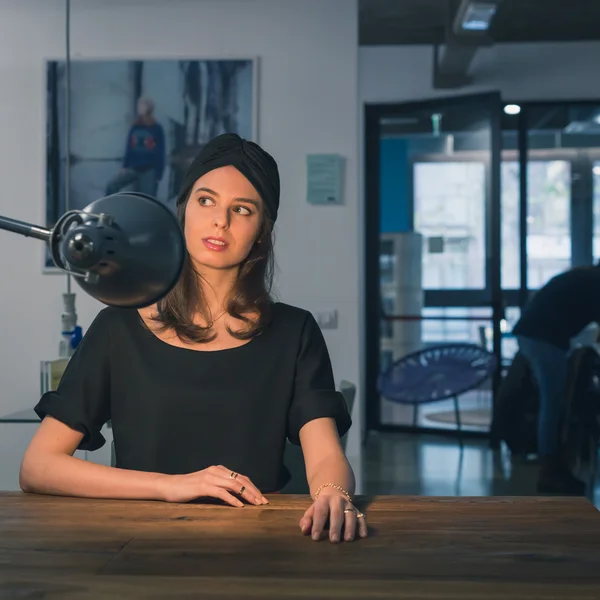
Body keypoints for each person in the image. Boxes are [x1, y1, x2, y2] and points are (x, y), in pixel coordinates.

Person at [20, 133, 367, 544]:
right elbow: (38, 467)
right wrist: (172, 486)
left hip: (259, 543)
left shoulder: (295, 331)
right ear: (182, 210)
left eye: (242, 209)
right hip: (137, 542)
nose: (221, 220)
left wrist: (334, 493)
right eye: (206, 200)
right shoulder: (118, 327)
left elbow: (326, 452)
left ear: (261, 231)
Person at [512, 264, 600, 495]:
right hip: (544, 339)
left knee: (553, 402)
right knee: (554, 403)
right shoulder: (595, 282)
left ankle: (552, 465)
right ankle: (550, 469)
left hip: (533, 334)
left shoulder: (584, 276)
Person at [105, 96, 165, 198]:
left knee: (148, 199)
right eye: (139, 105)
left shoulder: (156, 128)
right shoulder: (135, 127)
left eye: (142, 105)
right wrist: (125, 166)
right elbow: (129, 148)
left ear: (149, 108)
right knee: (111, 186)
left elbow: (160, 152)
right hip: (133, 167)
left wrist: (158, 173)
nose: (140, 108)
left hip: (149, 169)